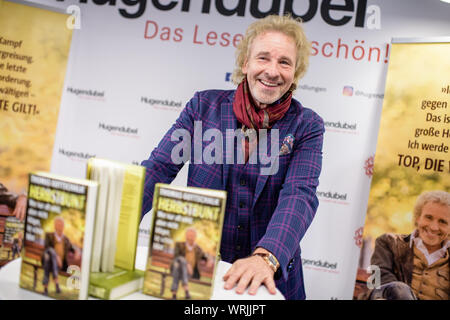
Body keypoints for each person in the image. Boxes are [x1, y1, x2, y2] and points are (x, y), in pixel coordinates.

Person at [141, 15, 324, 300]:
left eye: (285, 62)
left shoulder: (307, 125)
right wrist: (117, 216)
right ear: (245, 64)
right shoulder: (203, 107)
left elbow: (298, 195)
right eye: (263, 58)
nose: (272, 71)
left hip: (268, 277)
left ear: (295, 73)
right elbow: (160, 168)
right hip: (198, 268)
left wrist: (266, 257)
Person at [365, 190, 449, 300]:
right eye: (428, 217)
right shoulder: (389, 243)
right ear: (418, 218)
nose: (434, 227)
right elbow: (378, 279)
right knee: (399, 289)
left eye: (442, 222)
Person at [170, 227, 210, 299]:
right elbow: (176, 257)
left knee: (180, 266)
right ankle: (186, 291)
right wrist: (187, 264)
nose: (190, 237)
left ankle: (174, 295)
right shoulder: (179, 245)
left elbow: (205, 257)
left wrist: (209, 260)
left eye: (192, 236)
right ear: (186, 236)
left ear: (195, 237)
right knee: (180, 260)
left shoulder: (198, 249)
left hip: (190, 273)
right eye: (189, 235)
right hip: (179, 268)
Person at [41, 217, 75, 296]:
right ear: (55, 226)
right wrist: (56, 257)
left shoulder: (66, 240)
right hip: (51, 260)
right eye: (58, 225)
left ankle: (45, 289)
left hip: (60, 265)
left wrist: (76, 253)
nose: (60, 226)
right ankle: (56, 283)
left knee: (48, 261)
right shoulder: (48, 235)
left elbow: (73, 249)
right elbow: (46, 248)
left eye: (61, 225)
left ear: (63, 227)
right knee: (50, 253)